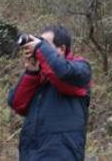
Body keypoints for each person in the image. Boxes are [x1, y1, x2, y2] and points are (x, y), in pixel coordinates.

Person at [7, 25, 92, 160]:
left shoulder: (81, 68)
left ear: (62, 49)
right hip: (30, 155)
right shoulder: (40, 76)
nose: (39, 47)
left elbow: (63, 73)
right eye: (39, 43)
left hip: (61, 154)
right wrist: (31, 73)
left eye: (45, 44)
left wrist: (40, 48)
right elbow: (17, 104)